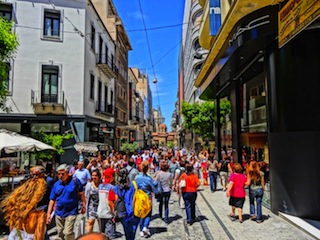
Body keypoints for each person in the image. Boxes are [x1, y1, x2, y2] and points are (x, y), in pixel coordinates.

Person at [2, 170, 47, 240]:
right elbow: (39, 238)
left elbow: (12, 232)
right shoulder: (40, 216)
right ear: (38, 195)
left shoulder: (14, 211)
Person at [46, 164, 86, 240]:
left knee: (68, 233)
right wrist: (48, 214)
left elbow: (81, 194)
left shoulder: (75, 182)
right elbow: (52, 200)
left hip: (71, 212)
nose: (60, 176)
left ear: (68, 173)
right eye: (58, 174)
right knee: (60, 233)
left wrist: (84, 205)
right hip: (59, 212)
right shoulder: (56, 185)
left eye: (63, 174)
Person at [113, 168, 140, 240]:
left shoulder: (117, 187)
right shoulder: (133, 184)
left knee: (127, 234)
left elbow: (116, 199)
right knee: (132, 234)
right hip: (133, 211)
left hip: (123, 212)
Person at [135, 160, 157, 238]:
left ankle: (141, 230)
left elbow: (135, 187)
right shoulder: (149, 179)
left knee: (141, 213)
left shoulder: (137, 177)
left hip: (139, 198)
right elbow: (153, 189)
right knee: (148, 213)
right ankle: (145, 227)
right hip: (147, 198)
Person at [97, 168, 117, 239]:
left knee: (102, 235)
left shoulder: (100, 186)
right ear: (111, 176)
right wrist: (114, 214)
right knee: (109, 236)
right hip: (108, 214)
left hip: (100, 213)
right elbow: (110, 202)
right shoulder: (112, 188)